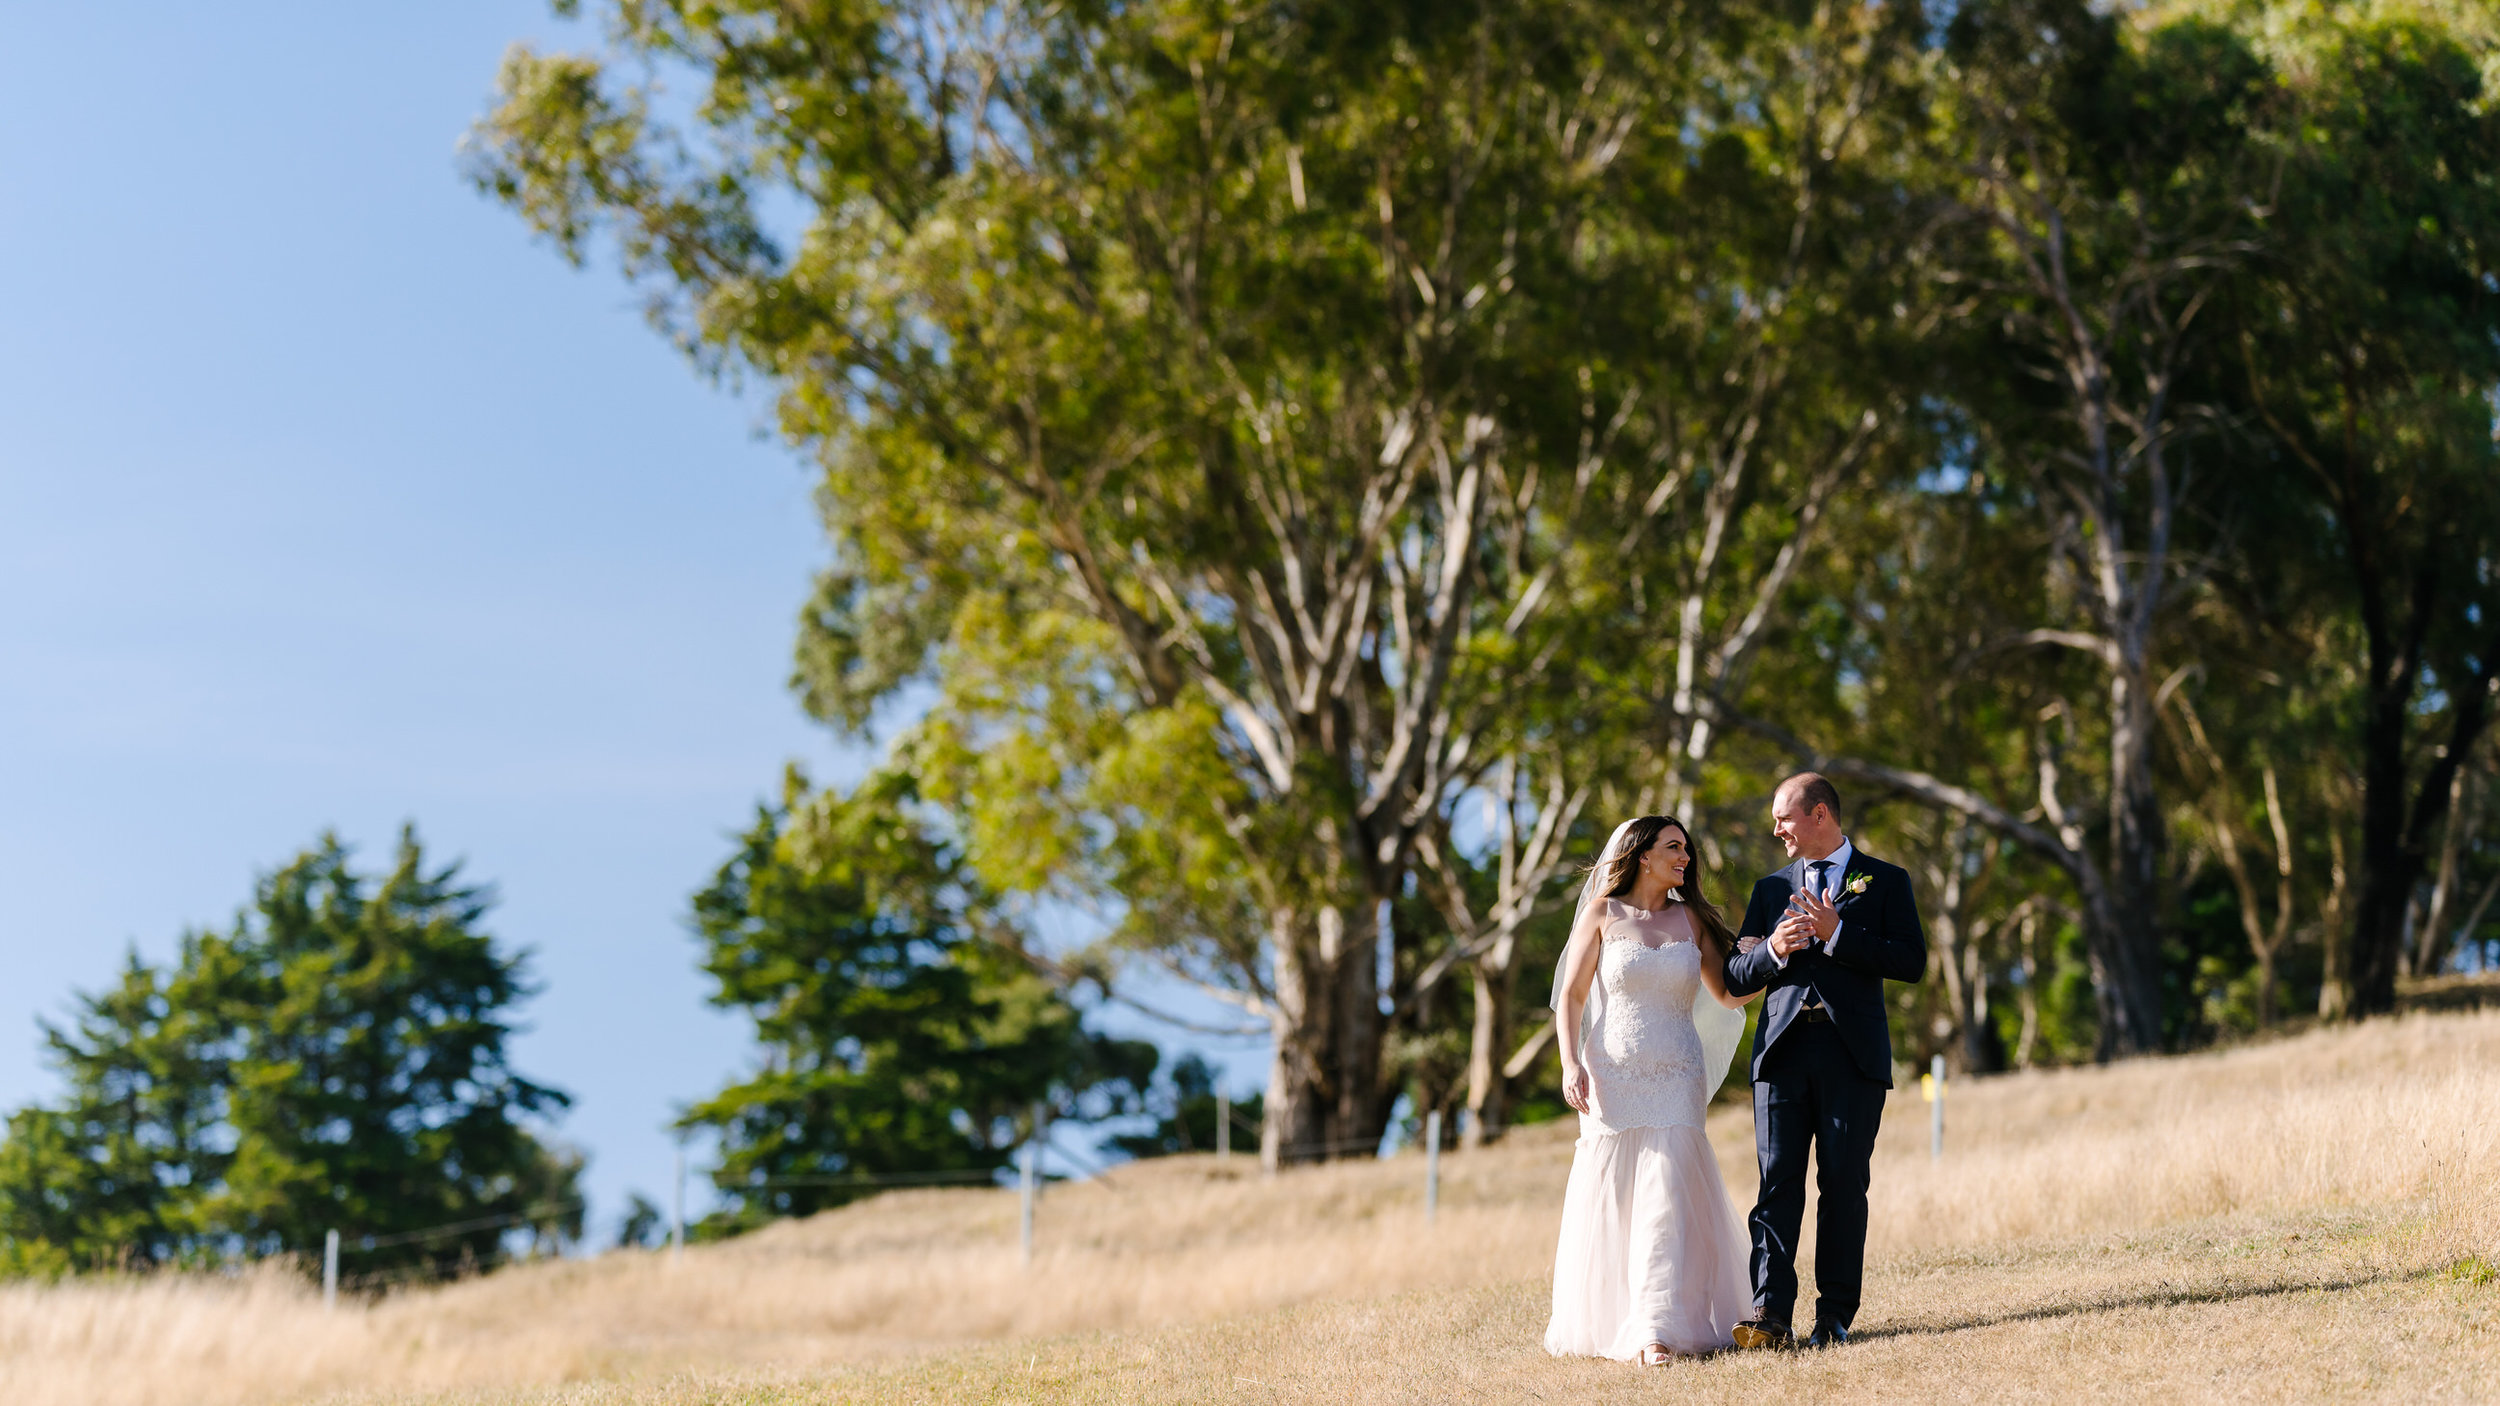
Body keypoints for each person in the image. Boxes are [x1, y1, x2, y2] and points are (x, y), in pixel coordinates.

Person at [1544, 815, 1757, 1365]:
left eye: (1686, 849)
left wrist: (1770, 954)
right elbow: (1570, 998)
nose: (1685, 857)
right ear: (1642, 855)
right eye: (1673, 848)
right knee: (1618, 1199)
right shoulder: (1601, 914)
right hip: (1611, 1075)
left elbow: (1729, 995)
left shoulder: (1694, 921)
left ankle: (1656, 1330)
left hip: (1678, 1075)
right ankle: (1619, 1320)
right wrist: (1570, 1064)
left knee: (1666, 1196)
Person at [1724, 773, 1927, 1350]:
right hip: (1781, 1054)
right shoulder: (1768, 890)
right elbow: (1734, 975)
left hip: (1852, 1056)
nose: (1776, 829)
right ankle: (1769, 1316)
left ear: (1819, 815)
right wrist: (1771, 950)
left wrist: (1839, 934)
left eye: (1783, 817)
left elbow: (1911, 961)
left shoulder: (1886, 881)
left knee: (1842, 1185)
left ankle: (1834, 1316)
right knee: (1776, 1185)